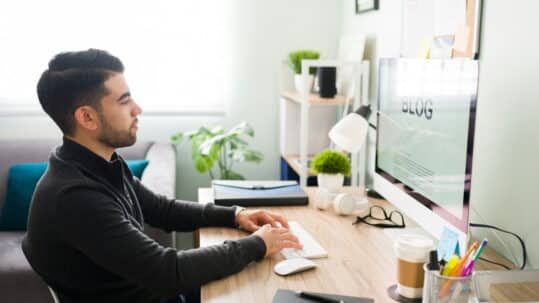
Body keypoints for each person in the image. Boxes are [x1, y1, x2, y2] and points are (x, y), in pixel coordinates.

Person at [22, 49, 302, 303]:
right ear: (87, 118)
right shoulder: (75, 197)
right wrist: (258, 243)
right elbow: (168, 271)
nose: (137, 109)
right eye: (124, 101)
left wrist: (235, 215)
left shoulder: (100, 164)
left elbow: (162, 210)